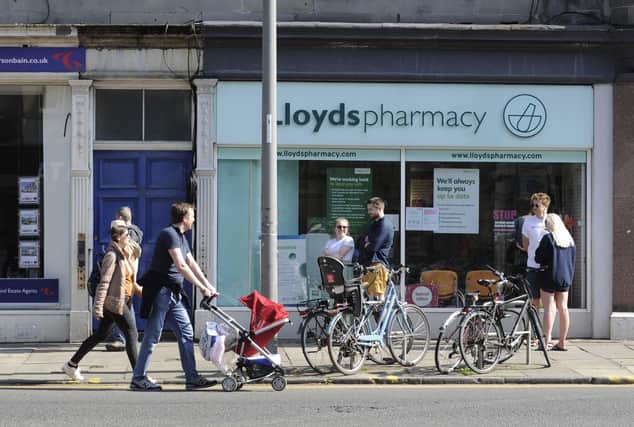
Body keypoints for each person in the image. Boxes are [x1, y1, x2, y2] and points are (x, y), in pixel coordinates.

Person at [130, 202, 217, 391]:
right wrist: (201, 286)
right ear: (185, 217)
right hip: (162, 292)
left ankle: (192, 378)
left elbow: (192, 264)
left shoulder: (182, 238)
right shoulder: (169, 234)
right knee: (152, 336)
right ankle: (138, 378)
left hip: (174, 295)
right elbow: (181, 265)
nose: (194, 219)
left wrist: (208, 286)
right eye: (192, 215)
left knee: (186, 333)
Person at [62, 224, 142, 381]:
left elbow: (128, 280)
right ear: (118, 237)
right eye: (127, 235)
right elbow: (104, 283)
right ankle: (139, 375)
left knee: (100, 335)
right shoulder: (112, 256)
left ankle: (71, 365)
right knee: (132, 333)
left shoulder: (123, 254)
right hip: (114, 302)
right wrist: (97, 307)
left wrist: (141, 291)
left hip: (120, 300)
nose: (129, 238)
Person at [535, 213, 576, 351]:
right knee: (563, 308)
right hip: (565, 277)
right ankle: (562, 341)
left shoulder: (548, 238)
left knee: (549, 308)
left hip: (549, 275)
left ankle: (546, 341)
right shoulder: (569, 240)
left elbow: (538, 257)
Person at [106, 206, 144, 352]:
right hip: (128, 275)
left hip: (124, 276)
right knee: (126, 306)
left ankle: (122, 339)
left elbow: (127, 252)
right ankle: (126, 338)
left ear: (120, 219)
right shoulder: (135, 233)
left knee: (120, 304)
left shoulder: (129, 234)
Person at [360, 197, 394, 301]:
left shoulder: (384, 225)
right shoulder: (374, 223)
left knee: (379, 297)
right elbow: (361, 240)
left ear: (379, 208)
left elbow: (374, 246)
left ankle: (382, 317)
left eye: (371, 209)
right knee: (367, 296)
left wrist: (368, 243)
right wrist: (366, 242)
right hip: (369, 264)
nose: (368, 212)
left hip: (378, 265)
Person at [522, 192, 550, 307]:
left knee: (549, 302)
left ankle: (547, 325)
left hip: (549, 267)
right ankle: (534, 324)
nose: (534, 208)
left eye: (537, 206)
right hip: (533, 266)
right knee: (534, 300)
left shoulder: (552, 220)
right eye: (533, 205)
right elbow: (525, 245)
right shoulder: (528, 221)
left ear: (545, 206)